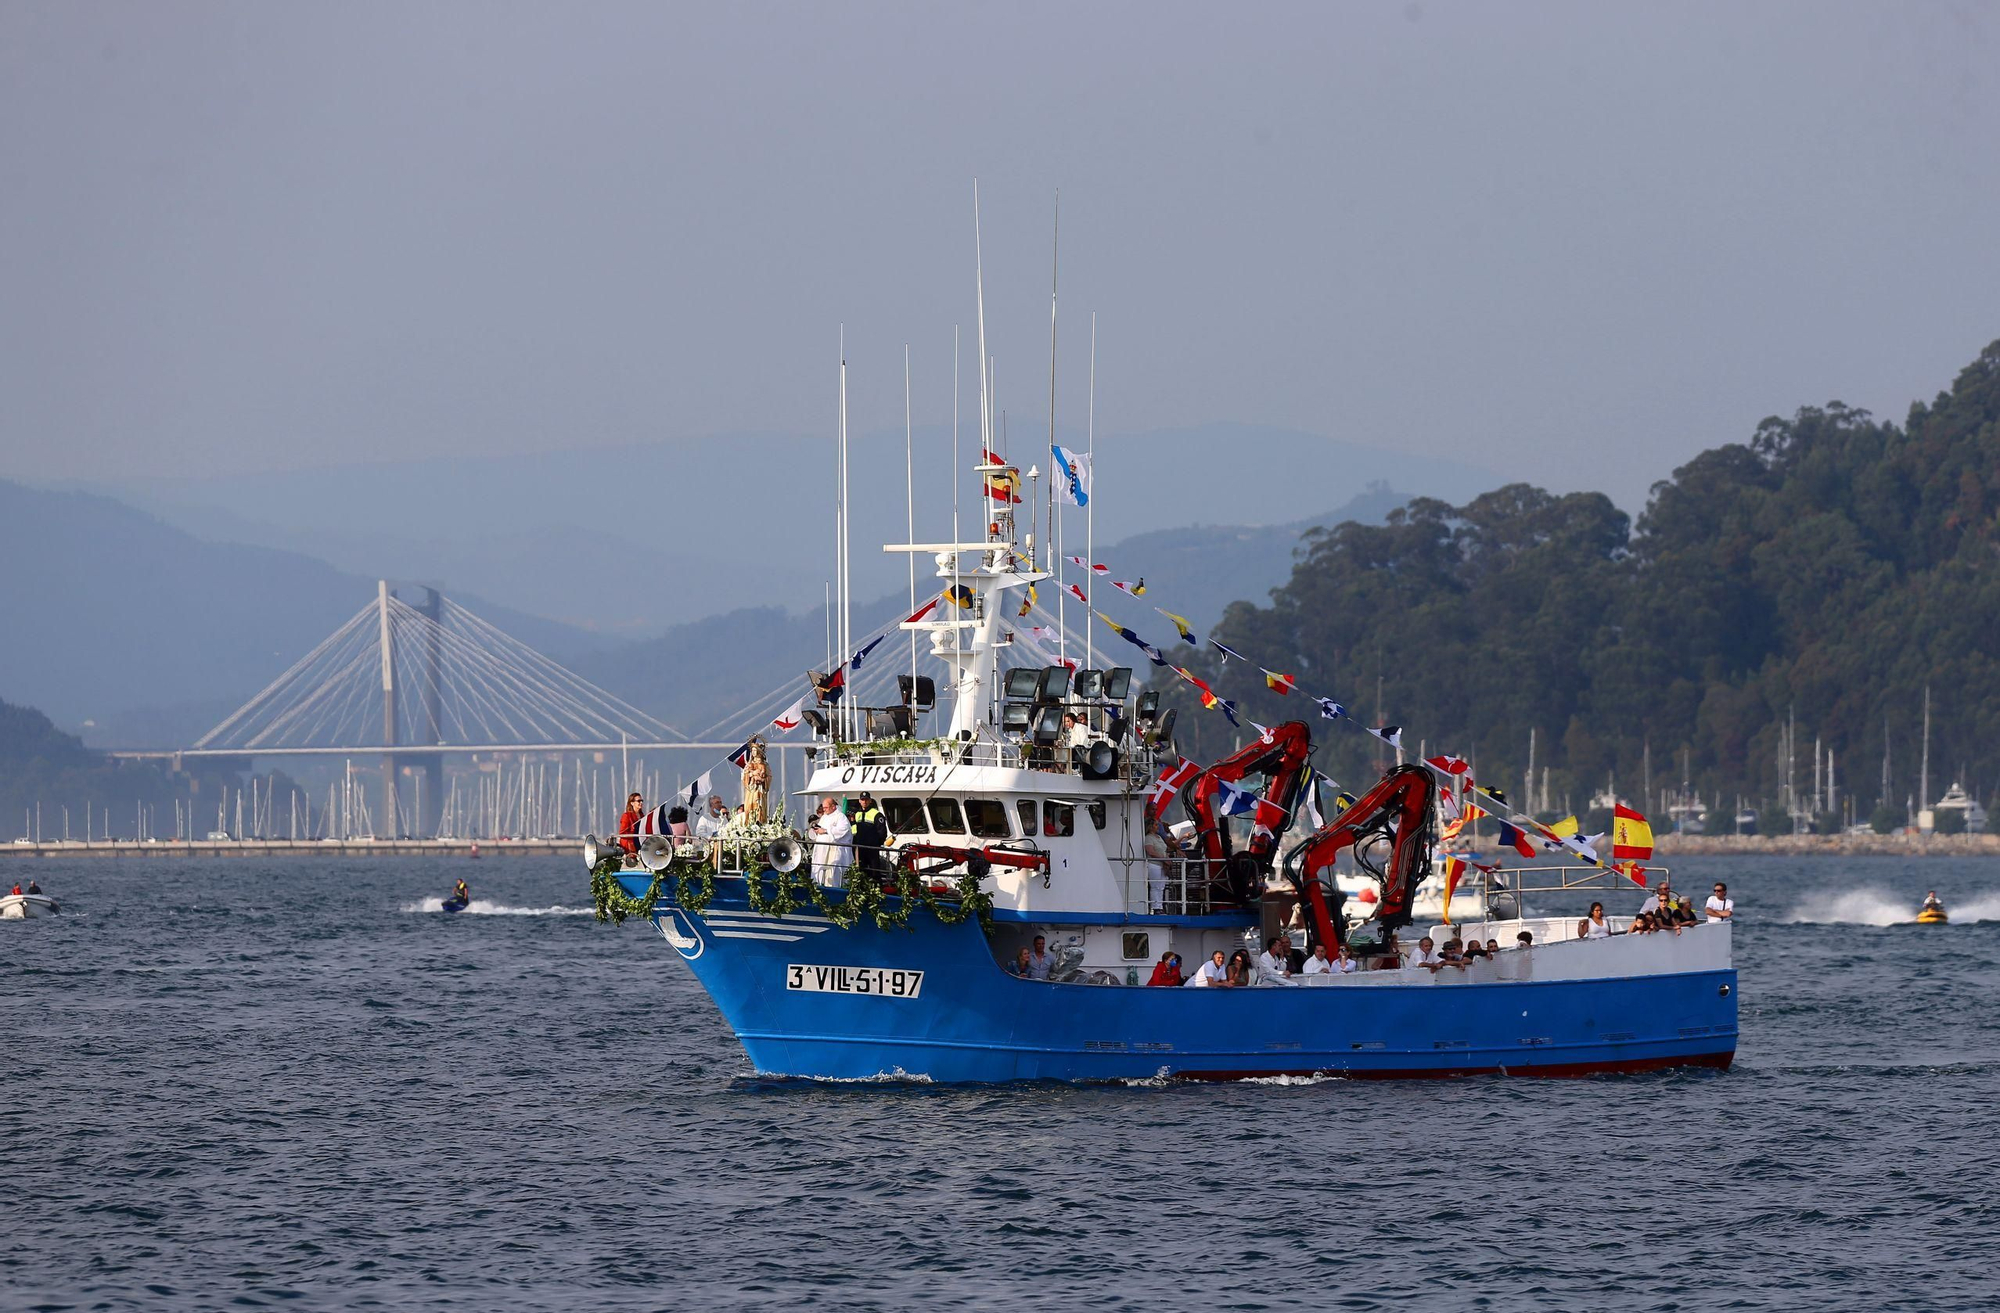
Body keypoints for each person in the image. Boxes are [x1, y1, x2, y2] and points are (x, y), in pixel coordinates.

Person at [809, 796, 852, 888]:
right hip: (822, 850)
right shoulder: (824, 817)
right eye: (823, 807)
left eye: (826, 807)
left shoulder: (841, 817)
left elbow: (843, 830)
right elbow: (820, 828)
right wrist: (817, 831)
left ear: (833, 806)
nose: (824, 810)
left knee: (833, 873)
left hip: (835, 850)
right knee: (821, 872)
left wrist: (826, 830)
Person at [851, 792, 889, 879]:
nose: (864, 802)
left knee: (875, 873)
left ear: (870, 801)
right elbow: (855, 830)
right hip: (860, 848)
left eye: (866, 800)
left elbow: (882, 832)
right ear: (859, 801)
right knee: (861, 872)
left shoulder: (876, 814)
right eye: (863, 800)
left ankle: (877, 889)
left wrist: (876, 844)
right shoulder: (857, 814)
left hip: (872, 849)